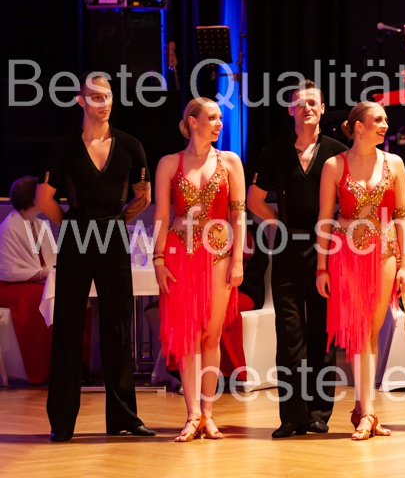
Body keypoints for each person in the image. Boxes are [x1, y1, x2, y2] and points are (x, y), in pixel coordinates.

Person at [37, 72, 155, 442]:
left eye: (108, 96)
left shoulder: (130, 145)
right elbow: (44, 199)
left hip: (113, 233)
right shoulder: (65, 146)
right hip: (76, 234)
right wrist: (74, 226)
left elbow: (143, 196)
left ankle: (123, 417)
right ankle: (62, 421)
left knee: (118, 325)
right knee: (68, 325)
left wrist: (114, 223)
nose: (103, 103)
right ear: (81, 100)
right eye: (96, 96)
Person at [248, 80, 347, 438]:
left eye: (313, 103)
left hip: (328, 248)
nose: (306, 108)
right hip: (288, 248)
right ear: (291, 109)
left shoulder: (338, 152)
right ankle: (291, 416)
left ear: (322, 109)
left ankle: (319, 412)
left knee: (322, 333)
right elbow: (254, 199)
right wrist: (279, 224)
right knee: (289, 335)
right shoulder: (275, 150)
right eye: (299, 103)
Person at [316, 101, 405, 440]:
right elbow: (325, 219)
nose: (385, 125)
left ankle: (364, 408)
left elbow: (402, 215)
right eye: (378, 120)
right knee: (359, 333)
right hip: (346, 254)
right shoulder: (334, 165)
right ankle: (367, 411)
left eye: (385, 120)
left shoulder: (394, 163)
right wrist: (321, 268)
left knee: (371, 331)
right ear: (359, 126)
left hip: (384, 253)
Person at [153, 97, 246, 442]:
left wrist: (238, 259)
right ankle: (192, 413)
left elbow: (239, 214)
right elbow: (162, 215)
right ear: (192, 122)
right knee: (188, 335)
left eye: (220, 118)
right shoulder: (169, 163)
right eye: (212, 117)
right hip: (180, 254)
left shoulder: (230, 161)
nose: (219, 123)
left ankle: (208, 413)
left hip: (219, 255)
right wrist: (158, 259)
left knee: (211, 334)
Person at [0, 176, 56, 384]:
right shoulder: (9, 228)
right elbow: (7, 270)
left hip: (37, 281)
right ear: (32, 199)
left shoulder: (41, 224)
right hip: (10, 285)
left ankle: (74, 364)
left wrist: (49, 273)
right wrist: (42, 274)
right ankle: (38, 370)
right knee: (37, 297)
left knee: (68, 294)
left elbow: (53, 258)